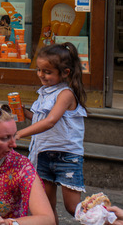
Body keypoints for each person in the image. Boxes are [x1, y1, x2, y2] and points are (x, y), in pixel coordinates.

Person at [16, 42, 87, 222]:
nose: (41, 75)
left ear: (65, 73)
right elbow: (42, 121)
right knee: (46, 207)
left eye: (47, 72)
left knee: (73, 208)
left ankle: (110, 217)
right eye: (39, 70)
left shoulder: (66, 94)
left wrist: (18, 134)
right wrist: (23, 112)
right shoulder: (45, 93)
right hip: (43, 154)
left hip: (67, 157)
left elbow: (50, 121)